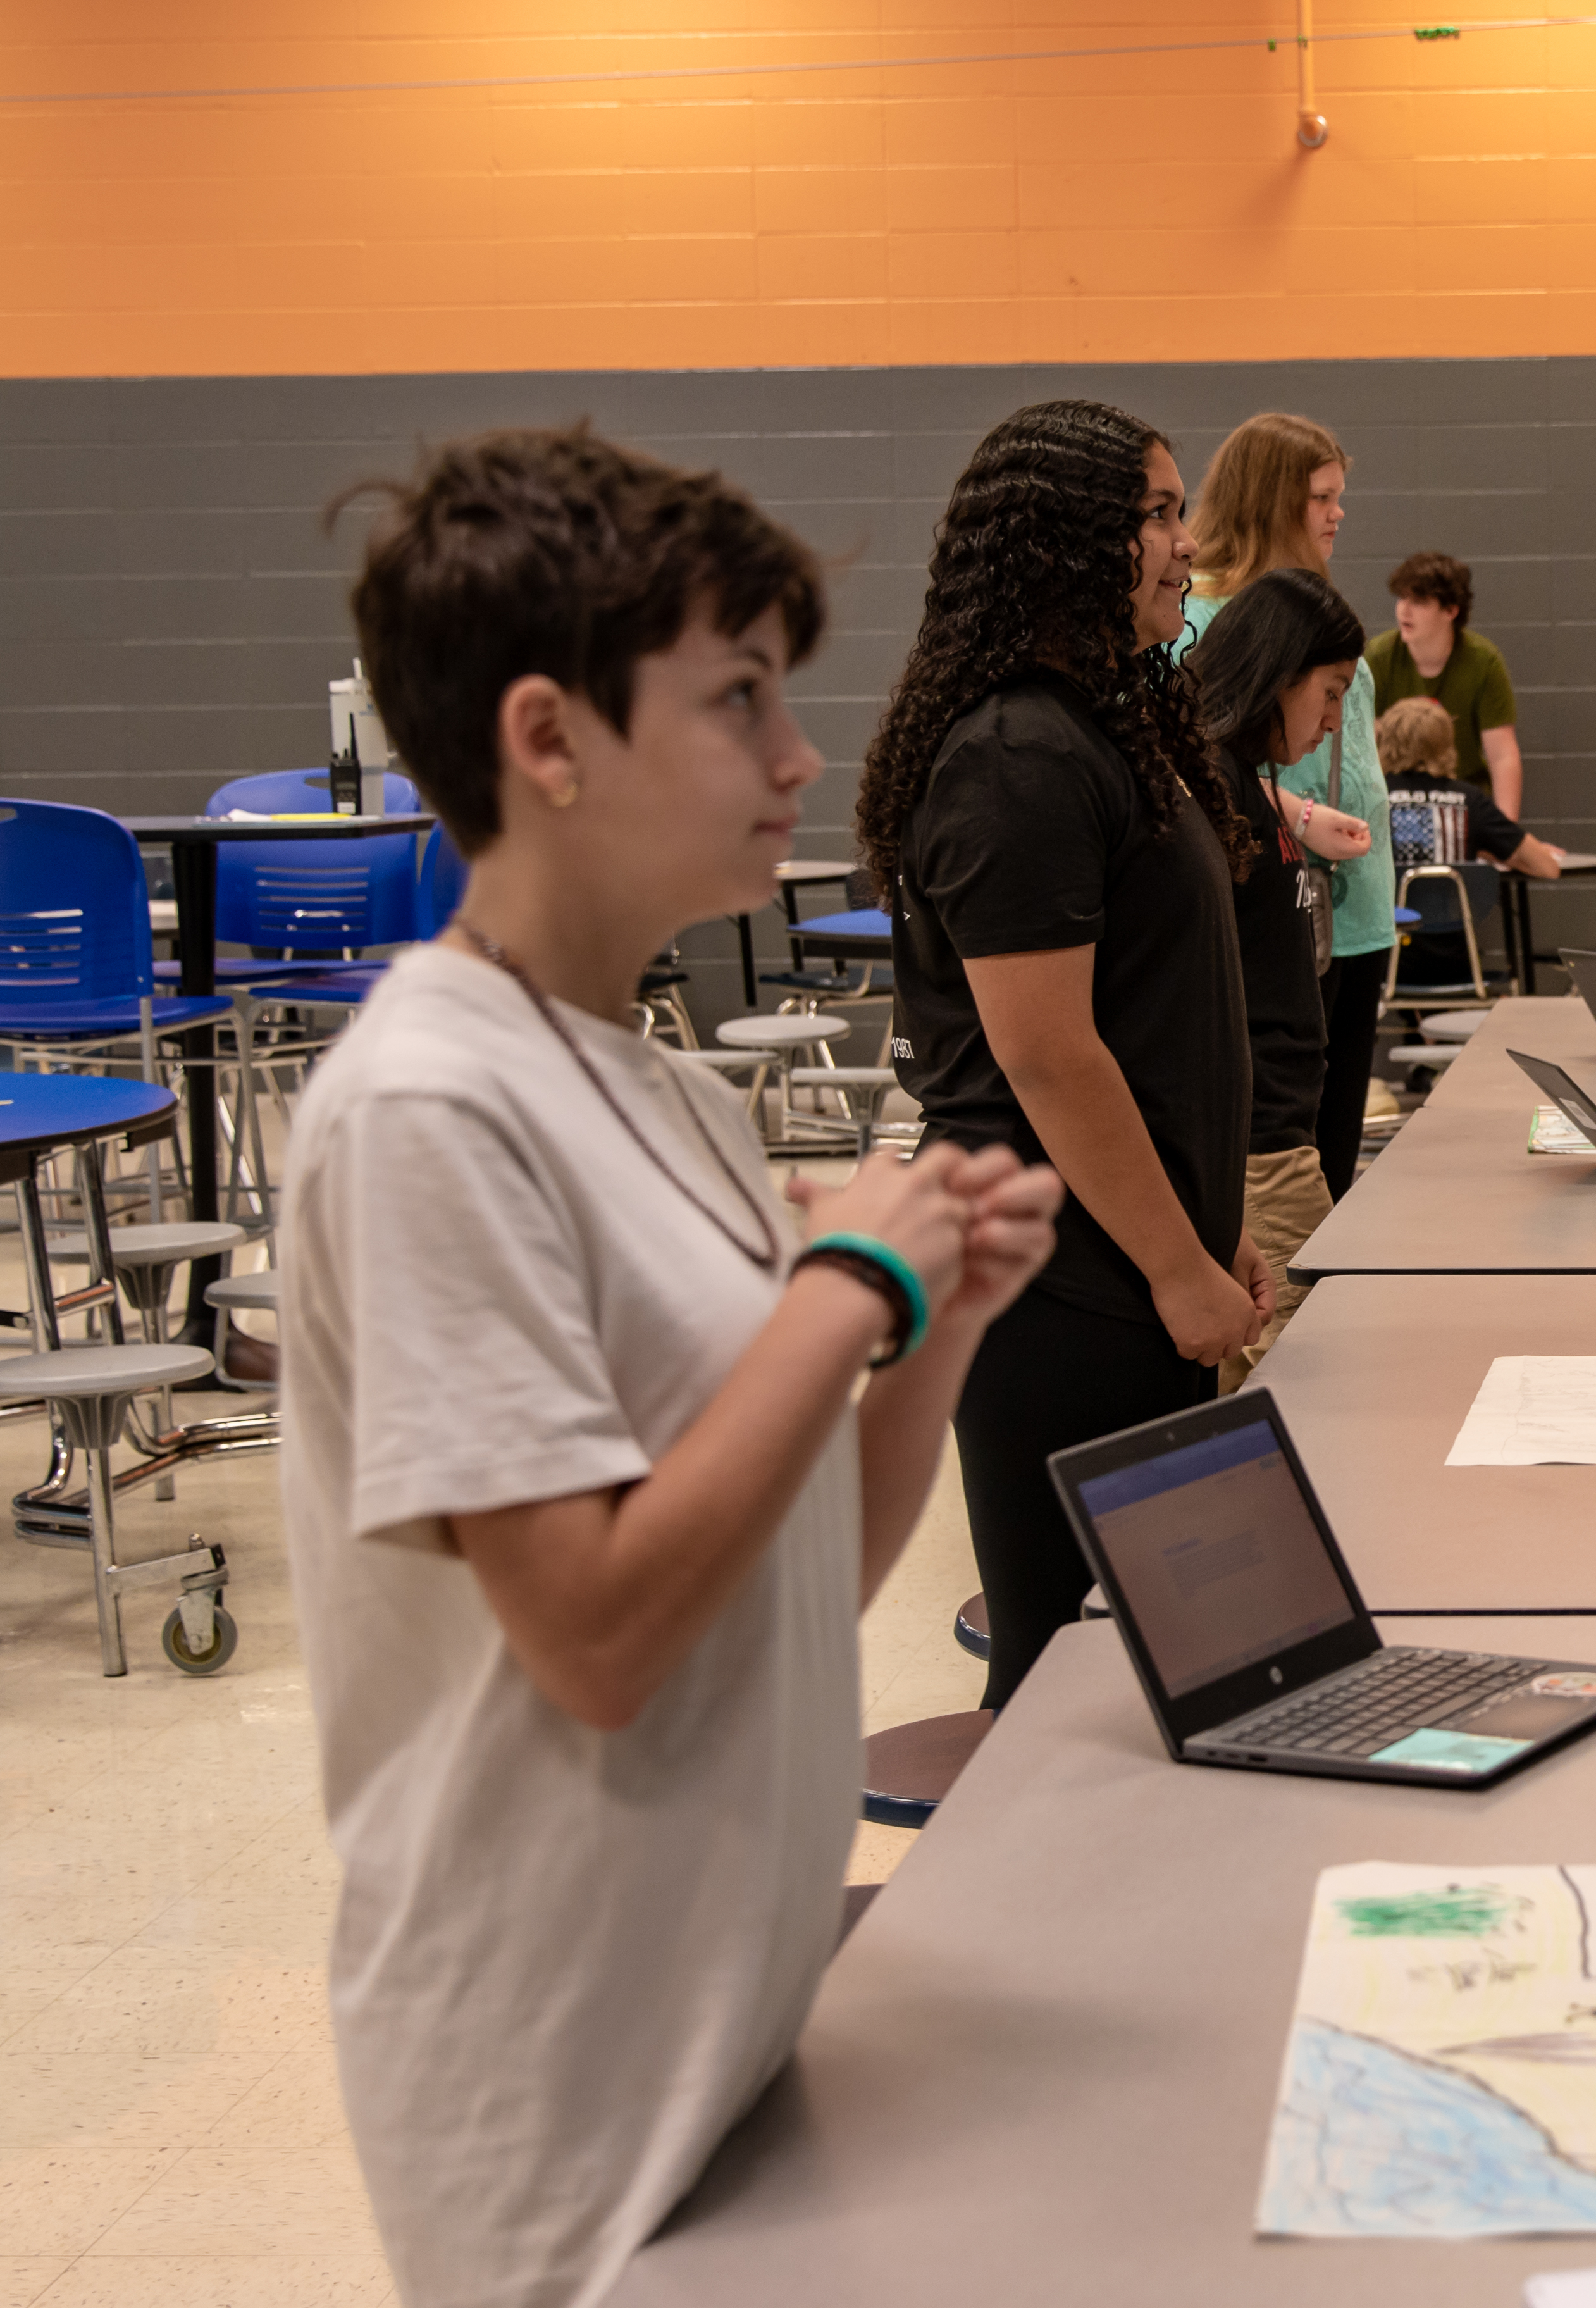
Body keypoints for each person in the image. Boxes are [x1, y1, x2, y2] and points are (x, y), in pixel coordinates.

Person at [285, 424, 1061, 2308]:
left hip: (732, 2025)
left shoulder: (665, 1093)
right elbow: (603, 1641)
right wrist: (849, 1285)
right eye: (735, 702)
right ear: (548, 741)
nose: (796, 757)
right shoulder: (423, 1110)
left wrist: (935, 1329)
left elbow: (798, 1578)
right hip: (554, 2090)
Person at [858, 399, 1266, 1711]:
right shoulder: (1015, 757)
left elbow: (1152, 1024)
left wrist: (1211, 1230)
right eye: (1155, 512)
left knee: (1166, 1659)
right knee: (1071, 1680)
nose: (1184, 542)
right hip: (1058, 1282)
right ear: (1063, 540)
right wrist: (1174, 1262)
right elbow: (1049, 1058)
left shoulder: (1103, 730)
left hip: (1128, 1260)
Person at [1182, 413, 1394, 1201]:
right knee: (1283, 1142)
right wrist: (1300, 820)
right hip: (1275, 906)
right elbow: (1199, 763)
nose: (1338, 514)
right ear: (1273, 500)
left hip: (1355, 910)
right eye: (1321, 498)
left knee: (1332, 1148)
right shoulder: (1201, 619)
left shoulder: (1323, 612)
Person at [1187, 566, 1374, 1379]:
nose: (1334, 722)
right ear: (1275, 674)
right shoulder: (1211, 788)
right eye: (1328, 694)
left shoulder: (1250, 787)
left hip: (1279, 1133)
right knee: (1295, 1384)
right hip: (1259, 1146)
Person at [1366, 550, 1526, 817]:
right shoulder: (1378, 657)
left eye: (1419, 601)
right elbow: (1364, 747)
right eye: (1402, 598)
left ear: (1451, 610)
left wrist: (1505, 834)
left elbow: (1503, 756)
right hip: (1395, 802)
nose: (1404, 609)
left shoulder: (1484, 661)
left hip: (1464, 802)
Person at [1375, 693, 1561, 876]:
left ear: (1384, 742)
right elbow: (1548, 868)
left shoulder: (1372, 797)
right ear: (1446, 742)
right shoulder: (1470, 801)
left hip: (1387, 907)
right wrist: (1485, 850)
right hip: (1453, 907)